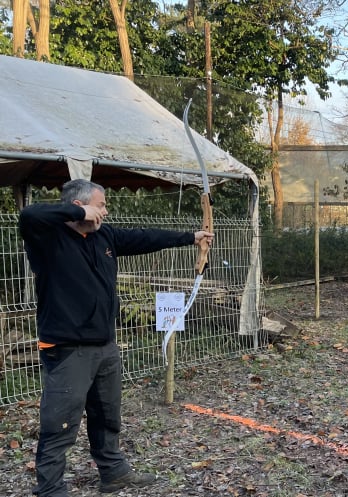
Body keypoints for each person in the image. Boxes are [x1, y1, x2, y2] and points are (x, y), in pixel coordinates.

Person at [19, 179, 214, 496]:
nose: (106, 211)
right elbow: (29, 215)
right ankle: (51, 489)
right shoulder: (47, 237)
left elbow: (144, 237)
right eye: (101, 204)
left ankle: (113, 473)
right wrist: (76, 211)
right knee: (60, 424)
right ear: (81, 206)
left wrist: (192, 237)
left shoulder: (103, 236)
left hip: (105, 347)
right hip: (68, 350)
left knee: (107, 415)